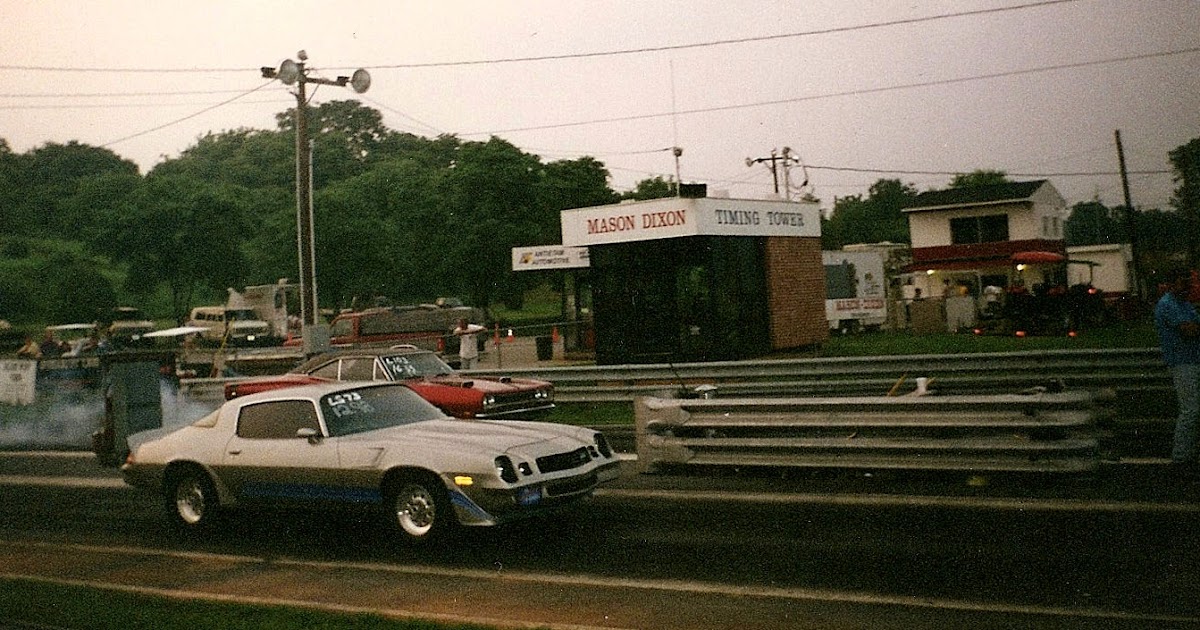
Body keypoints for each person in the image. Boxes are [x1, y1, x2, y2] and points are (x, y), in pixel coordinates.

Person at [1154, 268, 1200, 474]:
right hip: (1182, 362)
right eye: (1185, 283)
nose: (1189, 287)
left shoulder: (1184, 304)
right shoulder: (1168, 305)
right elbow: (1189, 329)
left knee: (1192, 409)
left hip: (1192, 359)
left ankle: (1187, 453)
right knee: (1190, 409)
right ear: (1173, 284)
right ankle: (1181, 457)